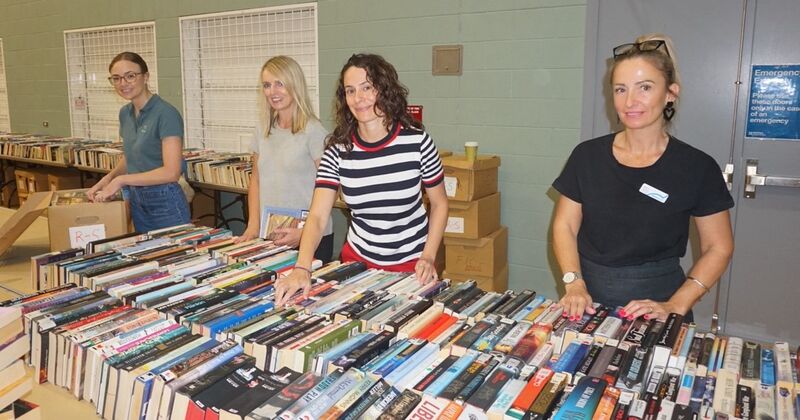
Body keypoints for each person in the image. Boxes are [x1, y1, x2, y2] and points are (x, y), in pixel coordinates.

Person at [551, 34, 734, 323]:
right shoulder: (587, 156)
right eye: (620, 89)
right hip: (586, 300)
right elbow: (565, 225)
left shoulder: (697, 167)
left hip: (659, 304)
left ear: (671, 93)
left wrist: (676, 303)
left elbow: (718, 247)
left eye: (645, 87)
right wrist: (573, 282)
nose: (630, 101)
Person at [273, 53, 449, 306]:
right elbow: (318, 215)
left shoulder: (417, 142)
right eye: (350, 91)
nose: (359, 98)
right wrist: (302, 267)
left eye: (367, 87)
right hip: (358, 263)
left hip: (413, 263)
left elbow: (440, 204)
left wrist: (429, 256)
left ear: (384, 89)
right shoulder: (337, 150)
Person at [235, 55, 333, 262]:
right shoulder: (262, 129)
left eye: (280, 84)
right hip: (270, 235)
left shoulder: (314, 131)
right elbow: (256, 180)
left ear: (294, 84)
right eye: (267, 85)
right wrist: (253, 225)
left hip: (309, 237)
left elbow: (330, 189)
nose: (272, 92)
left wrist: (305, 231)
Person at [88, 52, 191, 233]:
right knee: (145, 257)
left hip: (164, 200)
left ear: (146, 76)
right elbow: (132, 157)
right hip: (137, 199)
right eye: (116, 78)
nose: (123, 83)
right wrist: (107, 179)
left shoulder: (166, 113)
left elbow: (171, 172)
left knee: (171, 257)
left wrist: (121, 180)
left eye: (130, 76)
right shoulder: (124, 113)